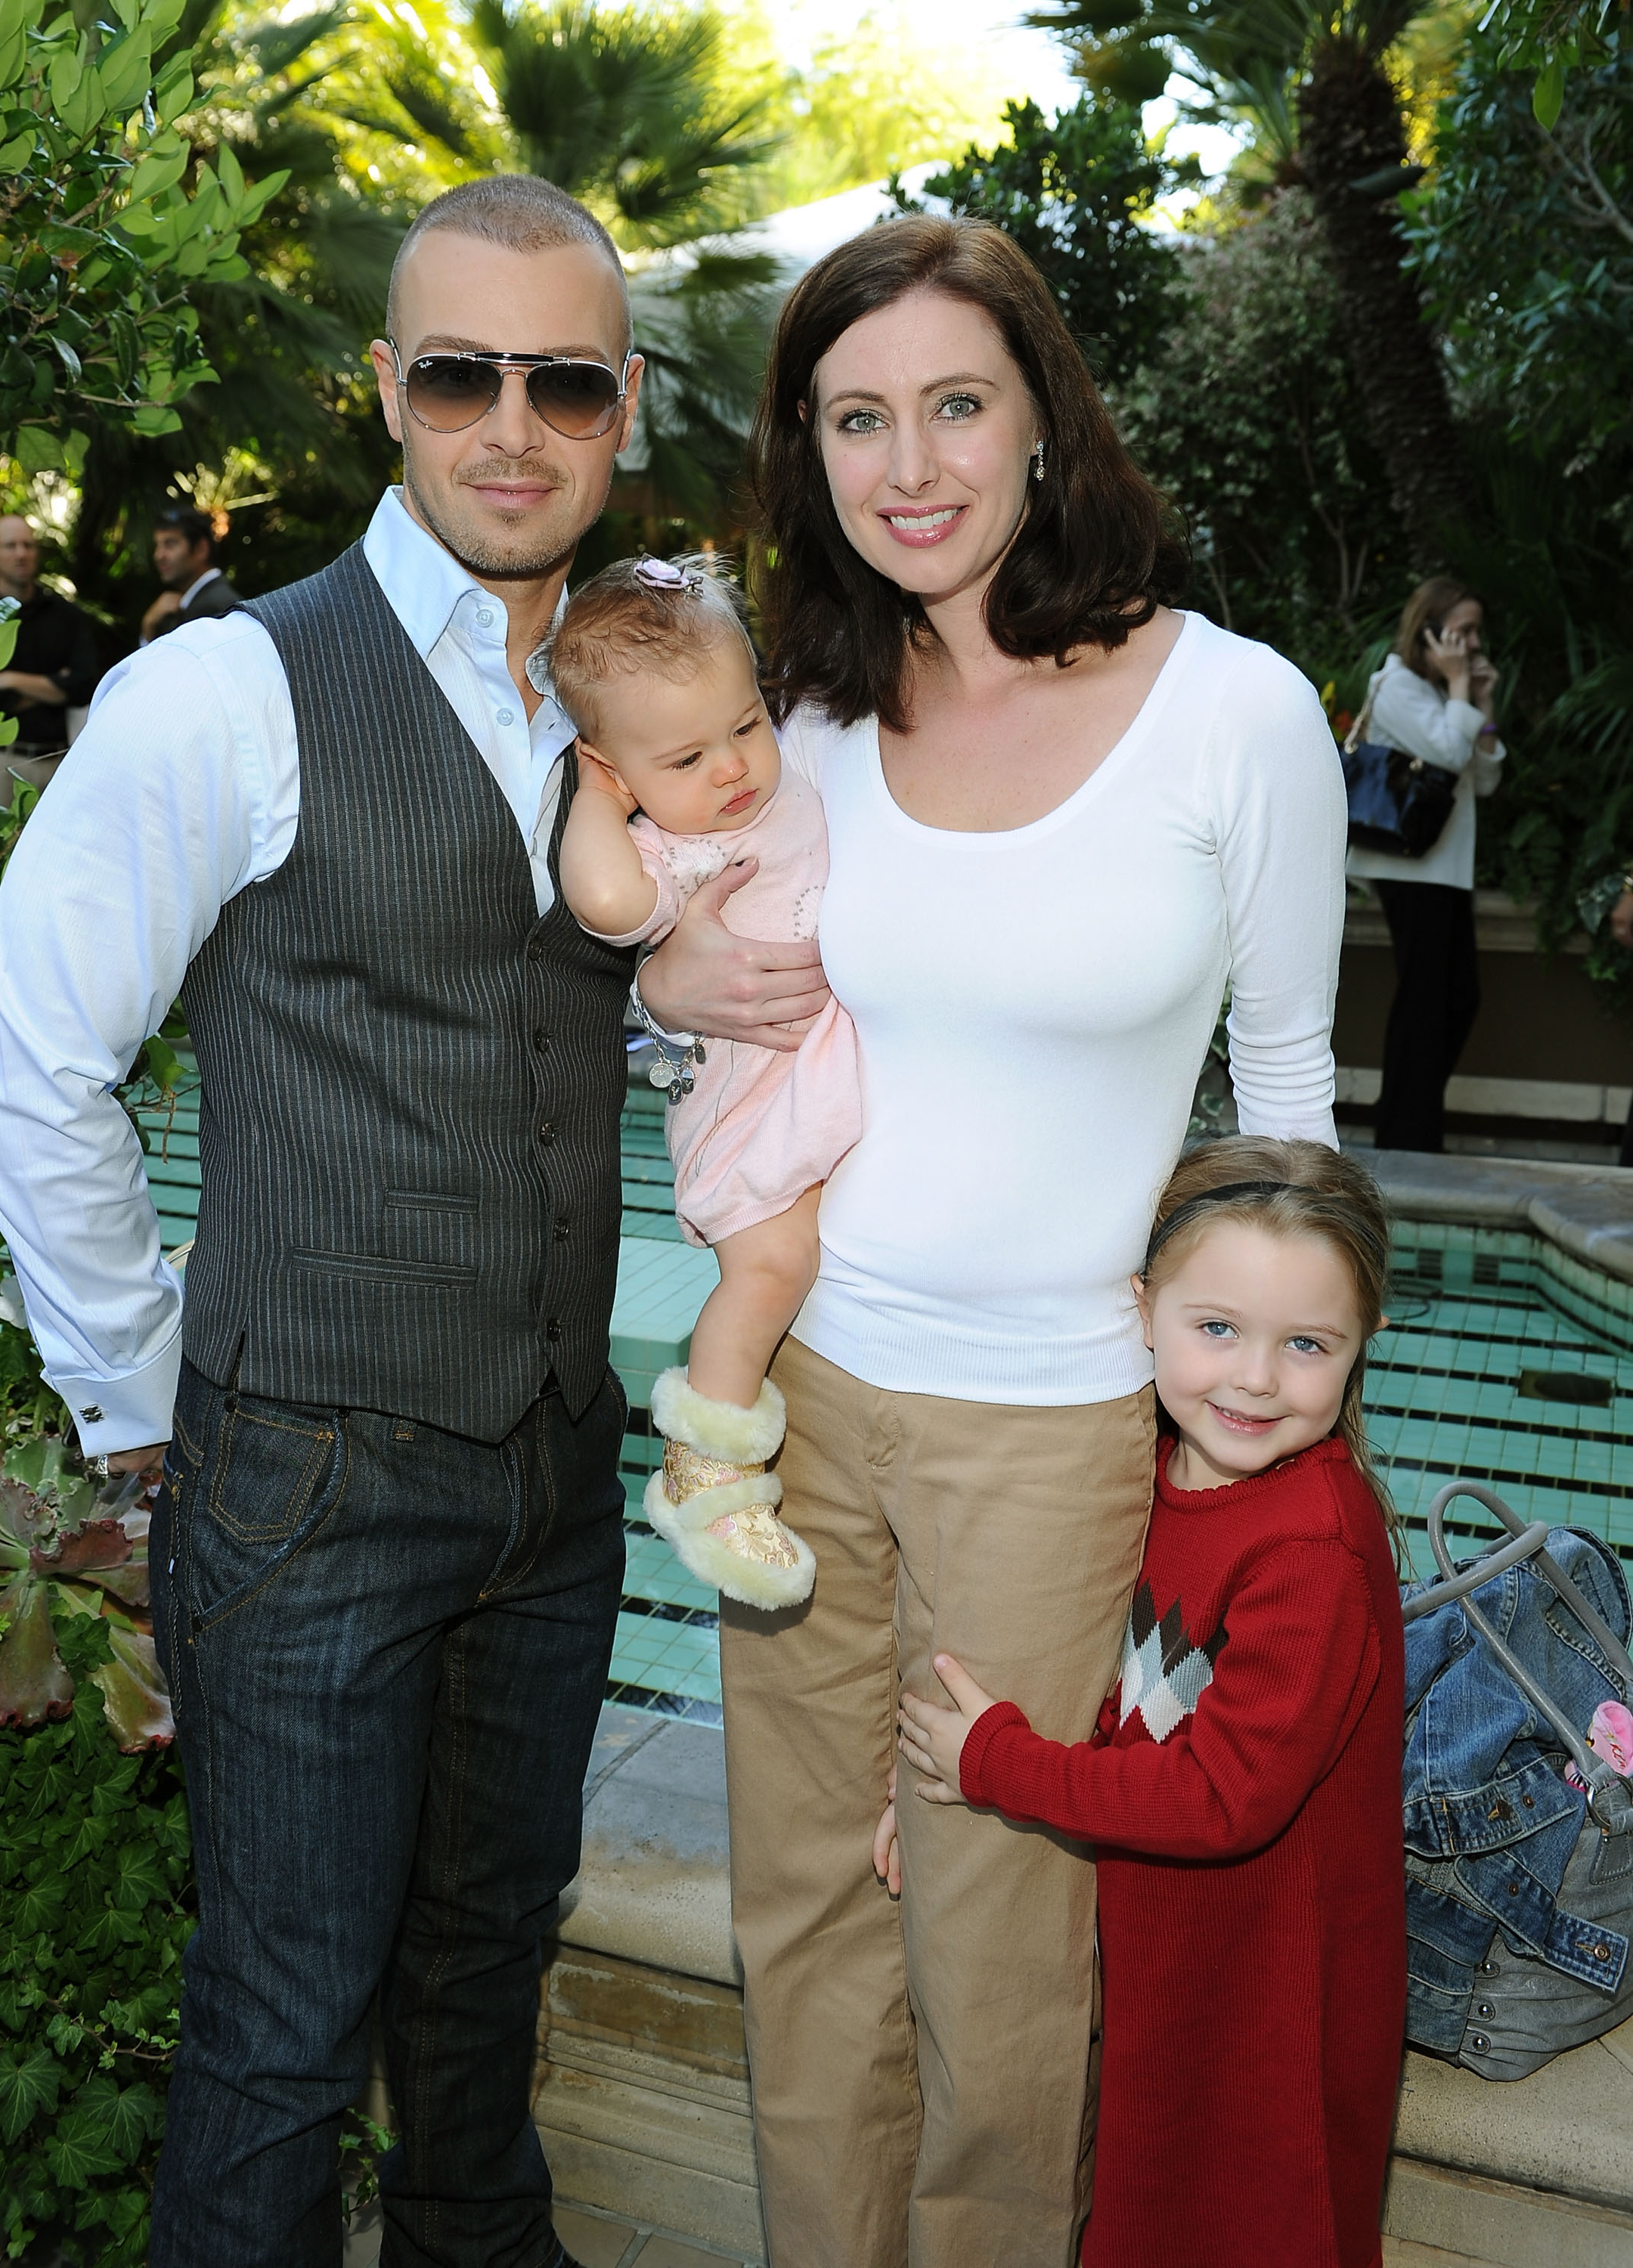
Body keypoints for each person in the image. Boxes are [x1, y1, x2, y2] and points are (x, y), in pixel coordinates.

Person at [634, 212, 1346, 2268]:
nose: (908, 463)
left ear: (1044, 422)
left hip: (1052, 1430)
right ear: (807, 456)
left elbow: (1288, 1094)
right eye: (855, 419)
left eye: (955, 403)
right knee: (802, 1916)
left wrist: (1262, 1429)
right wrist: (665, 988)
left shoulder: (1233, 711)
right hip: (800, 1407)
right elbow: (677, 958)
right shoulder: (798, 718)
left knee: (999, 1956)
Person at [0, 175, 654, 2268]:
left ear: (623, 408)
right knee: (278, 2041)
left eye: (562, 381)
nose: (508, 425)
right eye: (459, 374)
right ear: (386, 393)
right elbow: (28, 1068)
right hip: (309, 1481)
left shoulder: (627, 715)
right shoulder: (227, 694)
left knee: (477, 2009)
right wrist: (143, 1395)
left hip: (549, 1482)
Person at [890, 1137, 1407, 2268]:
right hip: (1171, 1965)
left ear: (1360, 1349)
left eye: (1306, 1345)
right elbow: (1110, 1692)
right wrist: (936, 1790)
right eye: (1215, 1328)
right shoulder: (1145, 1470)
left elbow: (1222, 1795)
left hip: (1268, 2000)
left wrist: (994, 1766)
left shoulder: (1308, 1547)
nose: (1255, 1378)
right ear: (1142, 1308)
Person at [553, 553, 861, 1609]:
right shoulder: (665, 852)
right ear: (618, 770)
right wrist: (598, 800)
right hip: (748, 1102)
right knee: (771, 1265)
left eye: (743, 725)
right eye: (685, 757)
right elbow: (599, 900)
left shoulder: (798, 783)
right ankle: (708, 1462)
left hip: (818, 1083)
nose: (731, 769)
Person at [1347, 576, 1504, 1152]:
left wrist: (1480, 703)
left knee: (1456, 997)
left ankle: (1405, 1119)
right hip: (1408, 868)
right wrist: (1463, 690)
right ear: (1429, 630)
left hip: (1443, 869)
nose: (1467, 643)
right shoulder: (1395, 685)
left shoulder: (1446, 694)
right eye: (1458, 631)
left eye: (1473, 631)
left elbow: (1483, 777)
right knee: (1425, 1000)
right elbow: (1446, 752)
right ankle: (1408, 1135)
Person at [0, 513, 102, 791]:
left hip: (57, 762)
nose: (21, 554)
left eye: (28, 545)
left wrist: (8, 680)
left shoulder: (66, 616)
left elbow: (84, 686)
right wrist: (54, 685)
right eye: (11, 546)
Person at [138, 506, 242, 642]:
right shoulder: (203, 600)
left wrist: (149, 624)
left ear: (201, 549)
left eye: (170, 544)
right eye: (157, 546)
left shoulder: (211, 608)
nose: (158, 556)